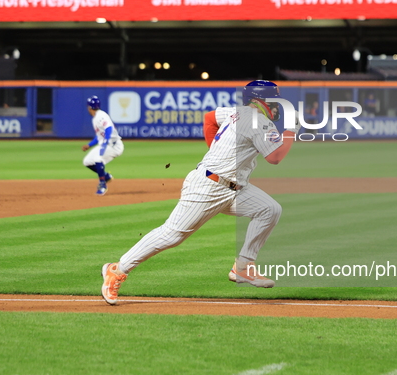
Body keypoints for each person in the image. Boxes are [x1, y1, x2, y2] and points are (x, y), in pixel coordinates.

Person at [100, 80, 299, 305]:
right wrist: (292, 130)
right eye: (275, 100)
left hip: (234, 189)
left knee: (269, 209)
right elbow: (275, 157)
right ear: (259, 101)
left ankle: (243, 266)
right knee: (172, 235)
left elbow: (209, 118)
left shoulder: (238, 112)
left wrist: (213, 150)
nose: (278, 105)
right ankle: (117, 269)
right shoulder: (257, 120)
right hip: (208, 187)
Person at [82, 95, 124, 196]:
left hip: (114, 145)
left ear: (90, 107)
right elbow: (99, 136)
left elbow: (108, 128)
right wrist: (89, 145)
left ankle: (102, 185)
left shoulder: (101, 115)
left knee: (97, 159)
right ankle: (106, 176)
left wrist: (105, 143)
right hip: (106, 144)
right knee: (87, 161)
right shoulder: (95, 118)